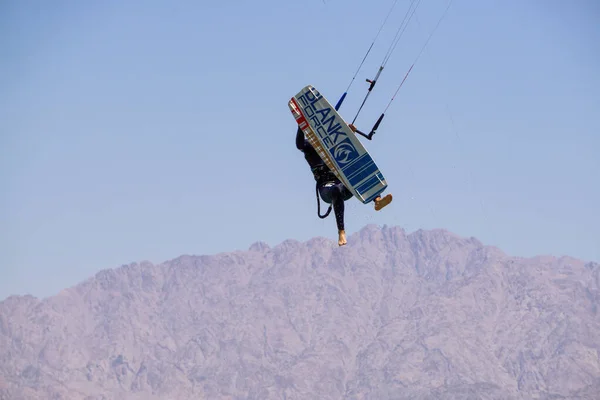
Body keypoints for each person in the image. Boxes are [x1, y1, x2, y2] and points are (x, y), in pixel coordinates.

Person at [296, 124, 392, 246]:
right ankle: (341, 232)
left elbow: (350, 152)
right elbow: (299, 144)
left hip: (344, 185)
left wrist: (351, 135)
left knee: (358, 171)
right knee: (336, 189)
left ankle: (377, 200)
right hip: (326, 190)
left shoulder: (332, 144)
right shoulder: (309, 146)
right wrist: (300, 125)